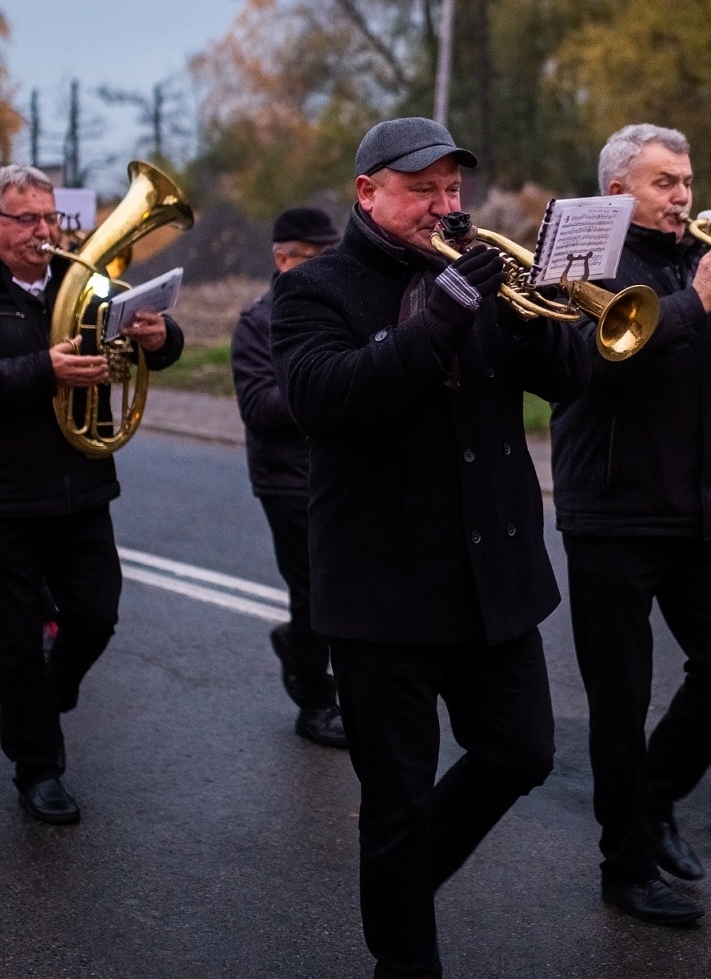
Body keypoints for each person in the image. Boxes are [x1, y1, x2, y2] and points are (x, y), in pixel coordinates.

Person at [271, 117, 589, 978]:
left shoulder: (479, 274)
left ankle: (401, 886)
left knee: (523, 751)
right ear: (369, 193)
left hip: (494, 575)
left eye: (453, 190)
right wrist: (440, 320)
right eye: (423, 190)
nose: (444, 207)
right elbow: (322, 399)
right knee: (397, 801)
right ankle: (404, 955)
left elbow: (570, 380)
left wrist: (541, 316)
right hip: (383, 591)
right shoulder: (315, 289)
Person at [550, 123, 711, 925]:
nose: (684, 196)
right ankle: (623, 866)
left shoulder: (708, 261)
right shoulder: (581, 265)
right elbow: (591, 368)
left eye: (688, 181)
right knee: (619, 703)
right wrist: (700, 299)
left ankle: (653, 800)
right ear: (620, 191)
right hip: (614, 514)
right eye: (666, 183)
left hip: (703, 512)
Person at [0, 164, 186, 824]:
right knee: (12, 644)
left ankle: (54, 685)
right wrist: (45, 369)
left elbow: (150, 347)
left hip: (81, 486)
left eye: (50, 218)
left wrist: (161, 339)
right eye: (26, 220)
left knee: (96, 614)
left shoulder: (90, 285)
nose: (44, 232)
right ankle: (38, 768)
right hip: (1, 495)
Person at [231, 206, 346, 749]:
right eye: (318, 256)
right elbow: (259, 406)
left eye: (333, 253)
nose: (330, 264)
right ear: (283, 258)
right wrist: (332, 387)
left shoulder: (335, 305)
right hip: (285, 479)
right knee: (314, 593)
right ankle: (314, 702)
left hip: (338, 472)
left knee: (340, 591)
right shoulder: (258, 322)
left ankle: (300, 650)